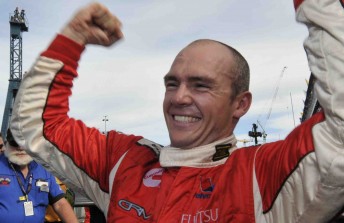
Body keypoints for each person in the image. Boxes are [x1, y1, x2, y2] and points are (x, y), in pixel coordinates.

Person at [9, 0, 344, 222]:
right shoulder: (125, 161)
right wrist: (72, 37)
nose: (179, 97)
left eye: (200, 85)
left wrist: (320, 5)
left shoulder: (263, 175)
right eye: (172, 83)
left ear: (241, 104)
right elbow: (35, 125)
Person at [0, 129, 79, 223]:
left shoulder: (44, 169)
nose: (20, 147)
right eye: (15, 142)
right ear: (7, 143)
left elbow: (60, 204)